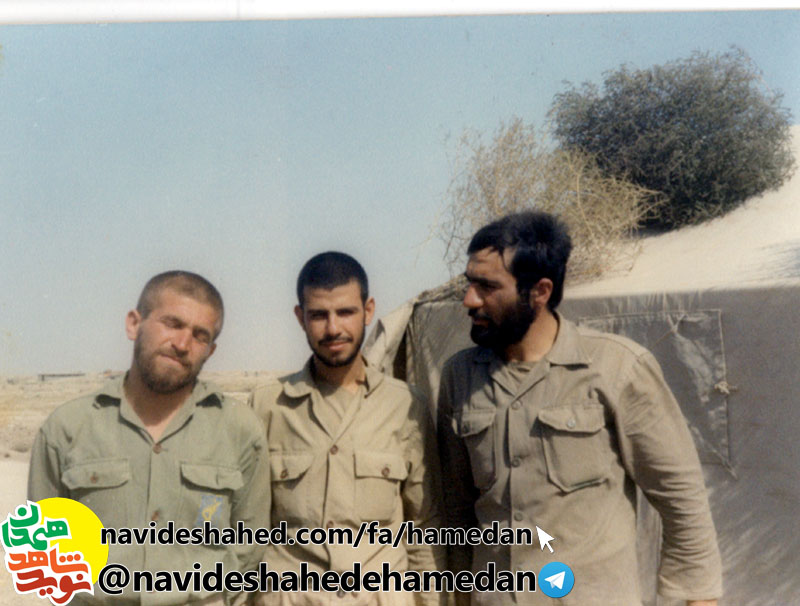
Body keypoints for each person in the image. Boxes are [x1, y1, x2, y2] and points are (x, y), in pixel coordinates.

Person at [437, 212, 722, 606]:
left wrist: (698, 599)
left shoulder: (617, 368)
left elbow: (681, 498)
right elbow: (457, 510)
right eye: (469, 283)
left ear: (539, 291)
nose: (469, 300)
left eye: (487, 287)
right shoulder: (460, 377)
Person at [28, 270, 271, 605]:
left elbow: (249, 546)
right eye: (172, 324)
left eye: (200, 335)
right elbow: (46, 548)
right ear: (134, 324)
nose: (182, 344)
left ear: (211, 350)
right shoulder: (67, 428)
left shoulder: (239, 430)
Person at [249, 252, 444, 606]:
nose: (333, 329)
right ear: (300, 318)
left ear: (368, 311)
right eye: (318, 315)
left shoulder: (405, 406)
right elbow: (246, 530)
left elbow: (424, 528)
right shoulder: (267, 407)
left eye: (345, 312)